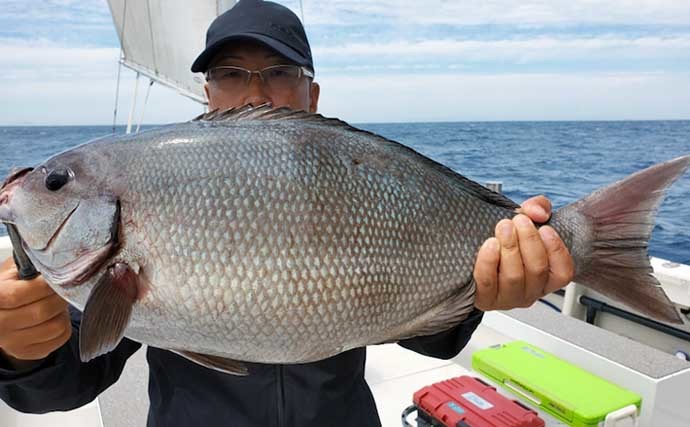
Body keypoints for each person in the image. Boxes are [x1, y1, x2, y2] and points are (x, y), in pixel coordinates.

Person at [0, 1, 574, 426]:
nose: (255, 94)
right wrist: (21, 350)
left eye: (278, 73)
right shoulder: (156, 184)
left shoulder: (359, 176)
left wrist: (486, 288)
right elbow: (65, 384)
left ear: (312, 96)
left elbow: (433, 341)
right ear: (207, 93)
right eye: (230, 74)